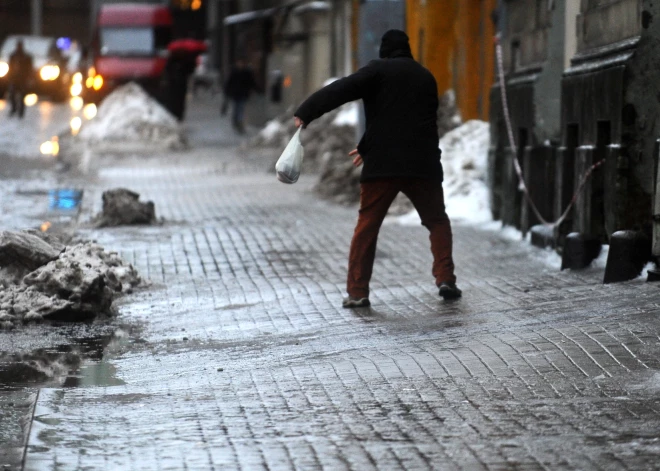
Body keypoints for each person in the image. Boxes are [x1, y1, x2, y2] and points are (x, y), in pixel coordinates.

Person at [293, 29, 461, 308]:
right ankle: (446, 278)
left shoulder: (378, 71)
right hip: (423, 164)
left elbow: (341, 89)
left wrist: (307, 111)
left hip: (383, 166)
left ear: (384, 51)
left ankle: (358, 292)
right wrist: (366, 145)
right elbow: (406, 118)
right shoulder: (425, 77)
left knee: (367, 227)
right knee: (437, 221)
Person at [223, 58, 258, 133]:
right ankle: (236, 121)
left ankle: (239, 122)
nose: (240, 65)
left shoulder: (246, 72)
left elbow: (251, 82)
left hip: (243, 94)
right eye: (239, 63)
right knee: (236, 108)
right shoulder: (234, 72)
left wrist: (257, 89)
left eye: (241, 63)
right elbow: (229, 83)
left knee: (240, 108)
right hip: (235, 94)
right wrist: (227, 92)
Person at [7, 40, 33, 119]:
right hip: (14, 78)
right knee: (12, 95)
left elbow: (29, 68)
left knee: (22, 96)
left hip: (23, 79)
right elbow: (10, 67)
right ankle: (14, 109)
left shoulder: (26, 57)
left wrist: (29, 78)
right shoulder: (13, 56)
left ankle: (21, 112)